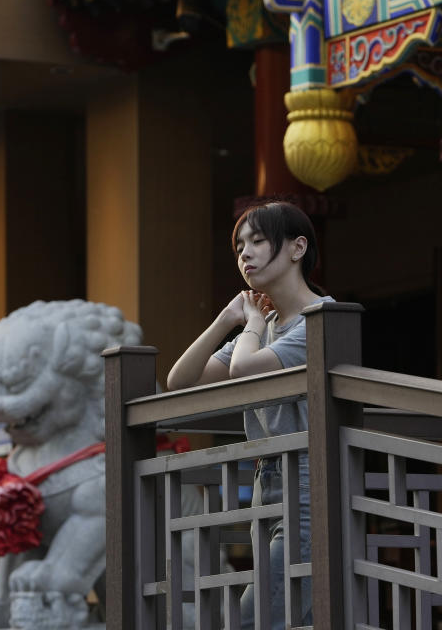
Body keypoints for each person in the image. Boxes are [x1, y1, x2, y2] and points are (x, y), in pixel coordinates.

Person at [167, 200, 332, 629]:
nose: (245, 253)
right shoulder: (261, 327)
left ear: (297, 248)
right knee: (292, 616)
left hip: (308, 485)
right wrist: (227, 320)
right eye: (240, 245)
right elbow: (179, 380)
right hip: (268, 484)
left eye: (258, 241)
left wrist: (252, 325)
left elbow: (243, 370)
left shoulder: (319, 320)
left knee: (253, 617)